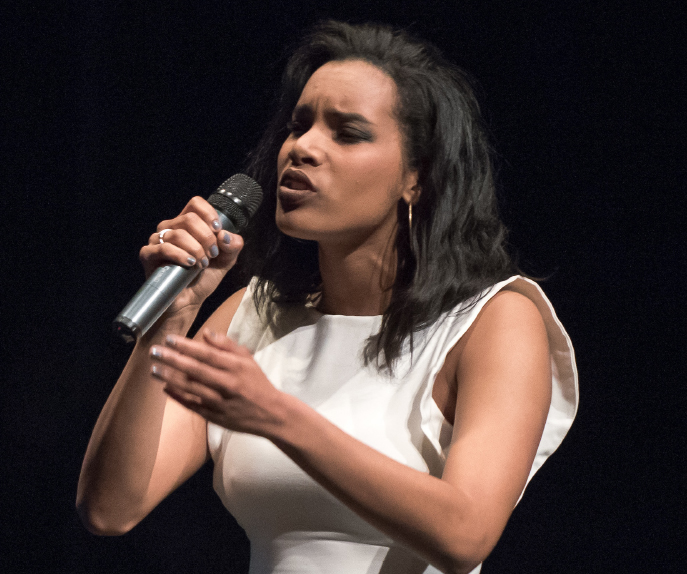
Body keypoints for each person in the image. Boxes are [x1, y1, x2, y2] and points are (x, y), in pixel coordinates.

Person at [77, 21, 578, 574]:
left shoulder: (494, 320)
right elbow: (110, 509)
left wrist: (275, 415)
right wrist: (171, 320)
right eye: (299, 124)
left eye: (348, 132)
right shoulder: (255, 315)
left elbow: (466, 535)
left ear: (417, 176)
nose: (303, 148)